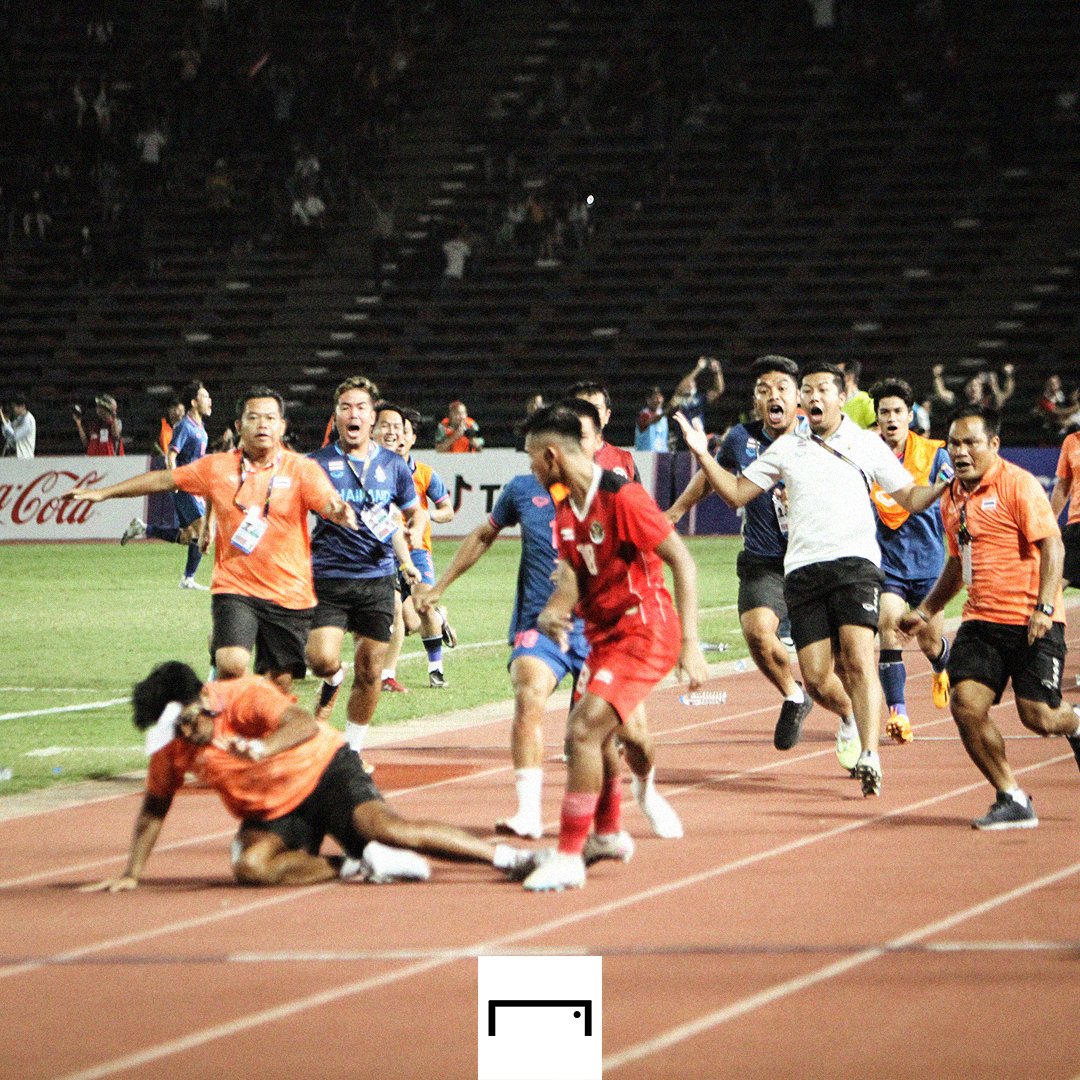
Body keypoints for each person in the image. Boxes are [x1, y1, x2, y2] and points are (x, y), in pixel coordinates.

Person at [674, 363, 950, 798]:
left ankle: (869, 754)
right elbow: (736, 494)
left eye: (823, 389)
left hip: (856, 567)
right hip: (802, 573)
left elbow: (909, 498)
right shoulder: (785, 449)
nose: (814, 396)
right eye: (809, 390)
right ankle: (843, 718)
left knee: (859, 659)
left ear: (842, 398)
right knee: (819, 679)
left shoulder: (866, 444)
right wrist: (702, 453)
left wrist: (938, 488)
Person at [82, 662, 542, 891]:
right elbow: (154, 807)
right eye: (176, 728)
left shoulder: (243, 694)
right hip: (274, 810)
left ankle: (508, 860)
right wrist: (131, 873)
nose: (187, 735)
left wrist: (262, 747)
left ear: (204, 697)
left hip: (323, 771)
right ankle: (358, 865)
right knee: (250, 867)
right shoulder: (172, 743)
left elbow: (301, 724)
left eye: (189, 722)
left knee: (387, 828)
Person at [518, 405, 709, 892]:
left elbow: (682, 562)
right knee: (602, 739)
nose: (531, 471)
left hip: (644, 630)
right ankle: (606, 834)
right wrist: (554, 610)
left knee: (581, 731)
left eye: (532, 461)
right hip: (603, 635)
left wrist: (691, 643)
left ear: (551, 455)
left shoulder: (622, 495)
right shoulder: (564, 506)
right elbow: (574, 576)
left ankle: (568, 856)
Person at [66, 387, 356, 690]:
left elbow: (328, 503)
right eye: (253, 417)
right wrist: (104, 492)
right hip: (235, 585)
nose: (262, 425)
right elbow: (165, 479)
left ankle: (260, 728)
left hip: (286, 589)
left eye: (270, 418)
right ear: (239, 425)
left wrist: (338, 512)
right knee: (230, 663)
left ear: (282, 426)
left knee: (278, 685)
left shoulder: (302, 469)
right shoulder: (216, 466)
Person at [416, 403, 605, 840]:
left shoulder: (611, 493)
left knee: (607, 736)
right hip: (538, 624)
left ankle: (639, 794)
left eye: (533, 455)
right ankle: (528, 812)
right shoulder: (522, 489)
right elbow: (484, 534)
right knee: (528, 698)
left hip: (596, 626)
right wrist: (440, 586)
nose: (530, 465)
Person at [667, 355, 861, 763]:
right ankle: (792, 697)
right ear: (755, 401)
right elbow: (712, 478)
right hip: (764, 560)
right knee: (757, 631)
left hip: (814, 562)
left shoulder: (823, 438)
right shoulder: (741, 439)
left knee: (826, 674)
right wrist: (677, 511)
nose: (772, 396)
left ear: (799, 400)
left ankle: (850, 717)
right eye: (762, 390)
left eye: (781, 390)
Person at [898, 405, 1080, 829]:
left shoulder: (1018, 484)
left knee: (1038, 717)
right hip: (981, 620)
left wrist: (1045, 608)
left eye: (970, 443)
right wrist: (925, 610)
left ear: (993, 445)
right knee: (965, 703)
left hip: (1032, 619)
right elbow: (958, 564)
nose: (960, 452)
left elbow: (1053, 547)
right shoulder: (952, 497)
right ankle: (1011, 796)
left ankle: (1074, 721)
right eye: (954, 443)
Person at [306, 378, 423, 762]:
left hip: (376, 578)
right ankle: (332, 680)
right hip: (328, 574)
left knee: (371, 670)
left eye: (360, 407)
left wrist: (413, 540)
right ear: (336, 416)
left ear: (372, 417)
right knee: (321, 659)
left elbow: (413, 511)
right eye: (345, 407)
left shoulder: (393, 465)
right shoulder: (316, 464)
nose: (353, 414)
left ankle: (352, 751)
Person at [869, 378, 954, 741]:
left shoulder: (935, 455)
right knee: (888, 626)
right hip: (886, 562)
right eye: (884, 412)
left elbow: (955, 498)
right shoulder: (864, 452)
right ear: (876, 417)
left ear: (910, 415)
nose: (891, 418)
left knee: (929, 642)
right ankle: (898, 714)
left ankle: (940, 667)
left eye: (897, 412)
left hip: (929, 561)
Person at [376, 404, 456, 690]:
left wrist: (424, 515)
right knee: (403, 622)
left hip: (417, 550)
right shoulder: (374, 469)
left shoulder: (424, 474)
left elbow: (447, 510)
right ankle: (439, 619)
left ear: (411, 438)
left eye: (403, 432)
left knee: (422, 606)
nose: (397, 437)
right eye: (392, 430)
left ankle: (435, 670)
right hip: (383, 552)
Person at [121, 382, 215, 590]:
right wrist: (175, 481)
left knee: (187, 536)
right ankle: (188, 579)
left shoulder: (201, 429)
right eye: (205, 397)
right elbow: (171, 455)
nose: (210, 401)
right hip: (184, 485)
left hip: (194, 486)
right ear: (193, 402)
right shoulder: (185, 426)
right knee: (203, 532)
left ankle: (143, 528)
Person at [570, 380, 638, 479]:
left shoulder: (624, 460)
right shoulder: (555, 459)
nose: (590, 414)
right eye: (582, 407)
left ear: (607, 415)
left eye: (596, 408)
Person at [1050, 426, 1080, 588]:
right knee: (1055, 580)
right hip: (1076, 523)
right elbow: (1063, 484)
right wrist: (1049, 520)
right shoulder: (1072, 441)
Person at [670, 356, 724, 433]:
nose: (690, 383)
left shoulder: (699, 397)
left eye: (692, 381)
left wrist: (717, 371)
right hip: (682, 438)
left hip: (698, 437)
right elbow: (682, 388)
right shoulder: (678, 397)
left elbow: (718, 390)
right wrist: (698, 368)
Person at [634, 385, 673, 452]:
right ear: (648, 400)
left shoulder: (664, 417)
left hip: (662, 456)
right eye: (655, 398)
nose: (658, 400)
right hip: (645, 456)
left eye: (659, 397)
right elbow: (653, 420)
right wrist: (668, 409)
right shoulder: (644, 415)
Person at [839, 360, 876, 429]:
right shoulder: (834, 402)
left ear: (849, 377)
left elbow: (877, 428)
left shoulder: (867, 400)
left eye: (837, 375)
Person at [0, 393, 36, 458]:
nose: (13, 409)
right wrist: (5, 421)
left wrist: (4, 421)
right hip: (15, 457)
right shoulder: (18, 419)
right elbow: (8, 436)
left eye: (14, 407)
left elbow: (15, 437)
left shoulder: (28, 420)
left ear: (22, 406)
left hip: (25, 458)